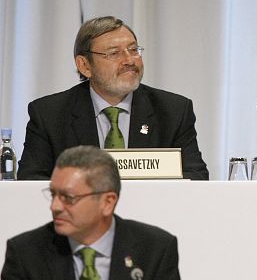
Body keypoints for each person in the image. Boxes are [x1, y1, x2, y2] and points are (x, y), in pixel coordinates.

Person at [0, 146, 183, 280]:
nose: (55, 207)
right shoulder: (27, 253)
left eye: (68, 198)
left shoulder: (155, 250)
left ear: (107, 202)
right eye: (53, 195)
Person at [17, 16, 209, 180]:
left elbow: (195, 176)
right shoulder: (49, 114)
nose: (129, 60)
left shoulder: (173, 111)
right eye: (114, 53)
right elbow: (31, 181)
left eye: (133, 50)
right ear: (85, 65)